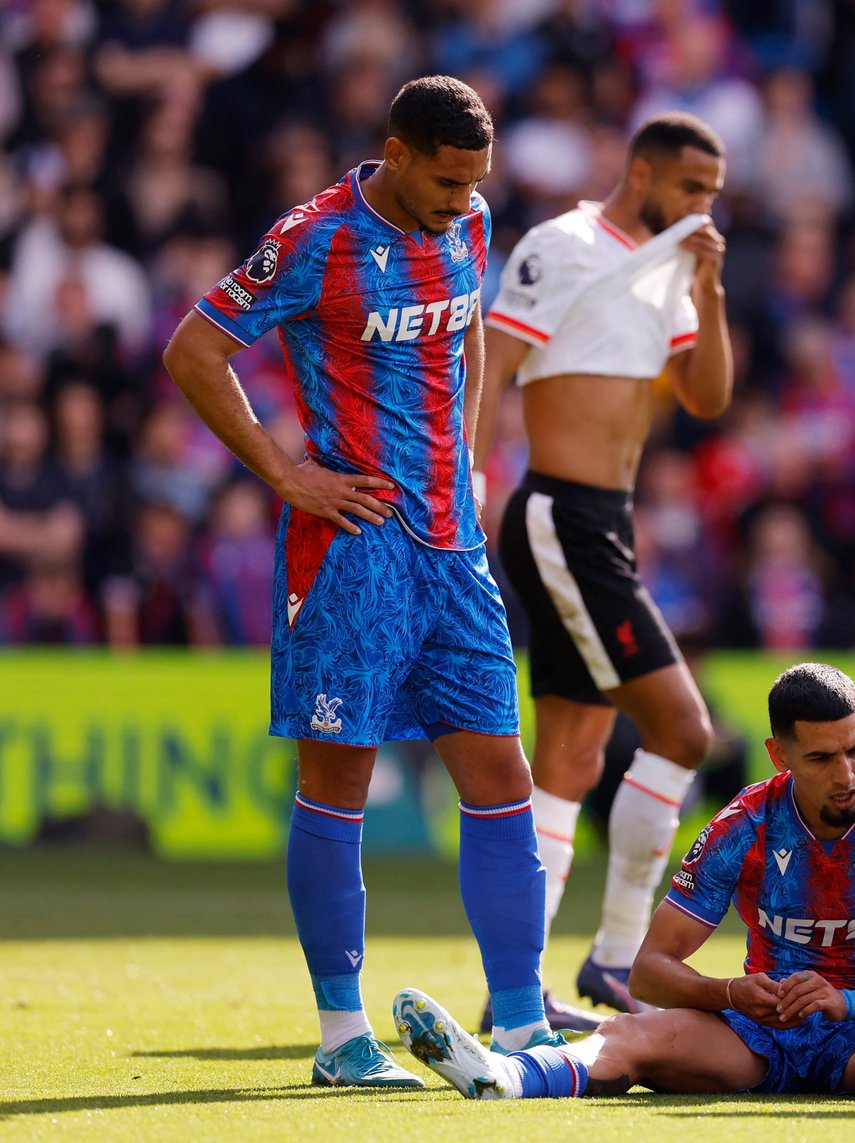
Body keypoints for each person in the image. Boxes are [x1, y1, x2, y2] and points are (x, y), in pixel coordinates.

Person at [162, 76, 557, 1088]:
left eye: (477, 182)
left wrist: (467, 460)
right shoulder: (315, 235)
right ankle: (342, 1038)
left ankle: (520, 1026)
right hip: (352, 547)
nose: (462, 200)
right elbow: (197, 349)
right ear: (396, 149)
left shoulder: (467, 220)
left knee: (502, 775)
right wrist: (286, 471)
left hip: (451, 546)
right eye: (445, 179)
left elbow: (467, 344)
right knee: (339, 779)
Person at [391, 662, 855, 1106]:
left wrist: (849, 1003)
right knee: (629, 1034)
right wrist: (730, 991)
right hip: (762, 1037)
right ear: (779, 756)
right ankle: (504, 1077)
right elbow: (647, 974)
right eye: (821, 758)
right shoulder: (744, 824)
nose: (846, 774)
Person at [473, 111, 734, 1026]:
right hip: (559, 514)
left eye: (712, 192)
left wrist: (709, 283)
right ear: (644, 172)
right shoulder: (567, 244)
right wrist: (471, 473)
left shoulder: (672, 271)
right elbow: (492, 357)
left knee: (572, 760)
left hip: (604, 523)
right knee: (684, 729)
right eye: (690, 188)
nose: (702, 205)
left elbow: (705, 397)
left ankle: (525, 989)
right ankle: (619, 957)